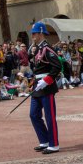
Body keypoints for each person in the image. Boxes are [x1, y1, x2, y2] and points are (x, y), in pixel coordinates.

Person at [30, 21, 62, 154]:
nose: (32, 35)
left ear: (41, 33)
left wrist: (47, 80)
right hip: (38, 85)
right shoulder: (37, 48)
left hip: (46, 86)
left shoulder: (48, 48)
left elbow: (57, 66)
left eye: (34, 33)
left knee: (49, 116)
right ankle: (44, 140)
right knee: (33, 114)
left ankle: (54, 144)